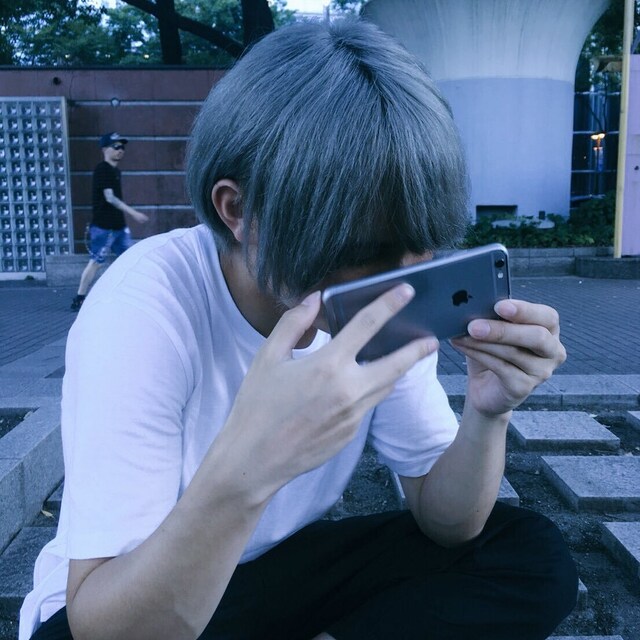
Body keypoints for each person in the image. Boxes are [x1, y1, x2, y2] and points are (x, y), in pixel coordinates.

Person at [21, 19, 577, 640]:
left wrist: (488, 413)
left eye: (419, 245)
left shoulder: (383, 297)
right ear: (238, 210)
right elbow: (108, 626)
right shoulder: (144, 309)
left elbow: (448, 522)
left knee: (526, 554)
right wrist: (252, 462)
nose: (399, 281)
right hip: (132, 600)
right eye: (364, 250)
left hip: (268, 575)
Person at [70, 132, 149, 311]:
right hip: (104, 227)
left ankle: (129, 295)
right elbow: (110, 198)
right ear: (105, 149)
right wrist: (134, 213)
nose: (120, 150)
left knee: (129, 260)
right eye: (116, 146)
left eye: (122, 147)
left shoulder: (115, 171)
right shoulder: (103, 169)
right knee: (96, 262)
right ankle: (79, 298)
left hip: (119, 227)